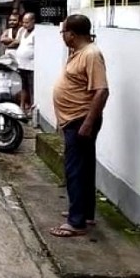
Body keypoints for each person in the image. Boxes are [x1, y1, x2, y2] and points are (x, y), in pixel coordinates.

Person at [50, 14, 109, 238]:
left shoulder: (91, 55)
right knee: (83, 169)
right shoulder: (78, 53)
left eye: (64, 32)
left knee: (74, 170)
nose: (62, 36)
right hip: (74, 119)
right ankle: (84, 213)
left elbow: (102, 90)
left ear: (72, 34)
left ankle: (76, 222)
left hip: (81, 120)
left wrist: (88, 123)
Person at [15, 12, 36, 114]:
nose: (24, 24)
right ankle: (22, 106)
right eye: (23, 22)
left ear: (33, 21)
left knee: (32, 88)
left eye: (27, 22)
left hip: (31, 66)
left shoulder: (36, 33)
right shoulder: (23, 32)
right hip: (21, 65)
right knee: (23, 87)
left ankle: (32, 109)